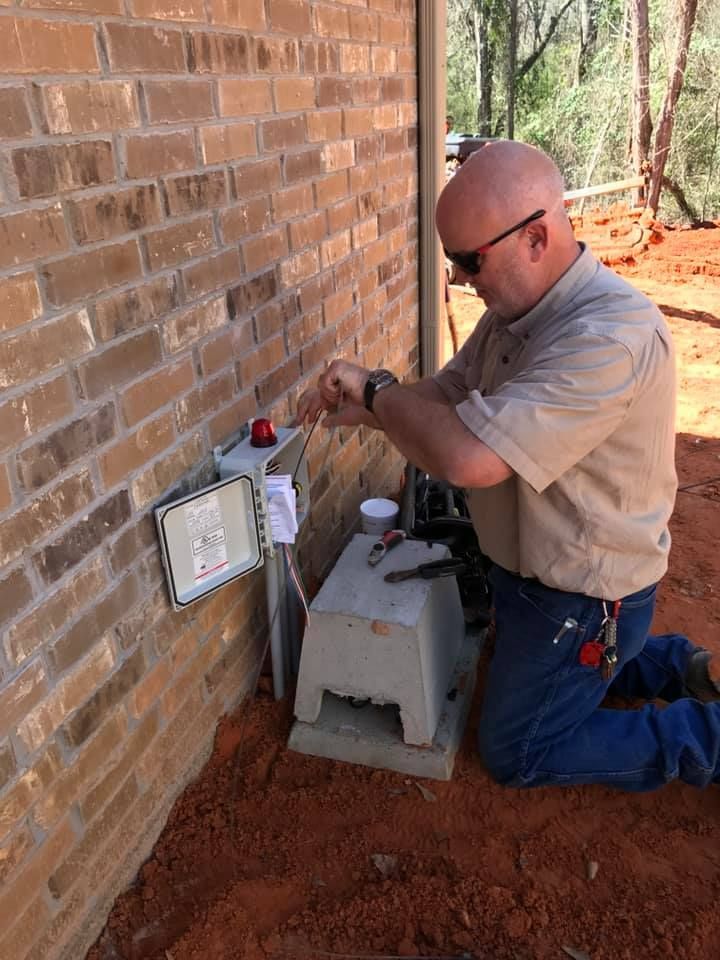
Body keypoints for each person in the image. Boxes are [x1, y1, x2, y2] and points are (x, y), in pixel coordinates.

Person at [296, 139, 720, 791]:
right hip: (532, 580)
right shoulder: (516, 313)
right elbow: (444, 394)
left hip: (582, 595)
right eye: (453, 261)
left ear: (535, 238)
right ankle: (672, 665)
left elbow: (471, 458)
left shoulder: (607, 338)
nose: (461, 278)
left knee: (514, 751)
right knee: (537, 666)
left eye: (470, 260)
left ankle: (703, 738)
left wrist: (377, 393)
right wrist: (373, 402)